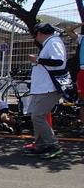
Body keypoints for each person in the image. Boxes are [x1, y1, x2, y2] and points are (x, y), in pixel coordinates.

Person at [24, 22, 66, 158]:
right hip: (42, 88)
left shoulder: (53, 42)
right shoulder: (50, 42)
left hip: (49, 88)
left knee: (37, 116)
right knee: (36, 116)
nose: (36, 39)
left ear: (39, 34)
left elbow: (59, 61)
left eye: (35, 36)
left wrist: (38, 59)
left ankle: (52, 144)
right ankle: (41, 145)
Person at [64, 22, 84, 137]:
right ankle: (83, 126)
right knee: (82, 102)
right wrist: (82, 23)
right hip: (82, 72)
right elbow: (68, 30)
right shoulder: (81, 39)